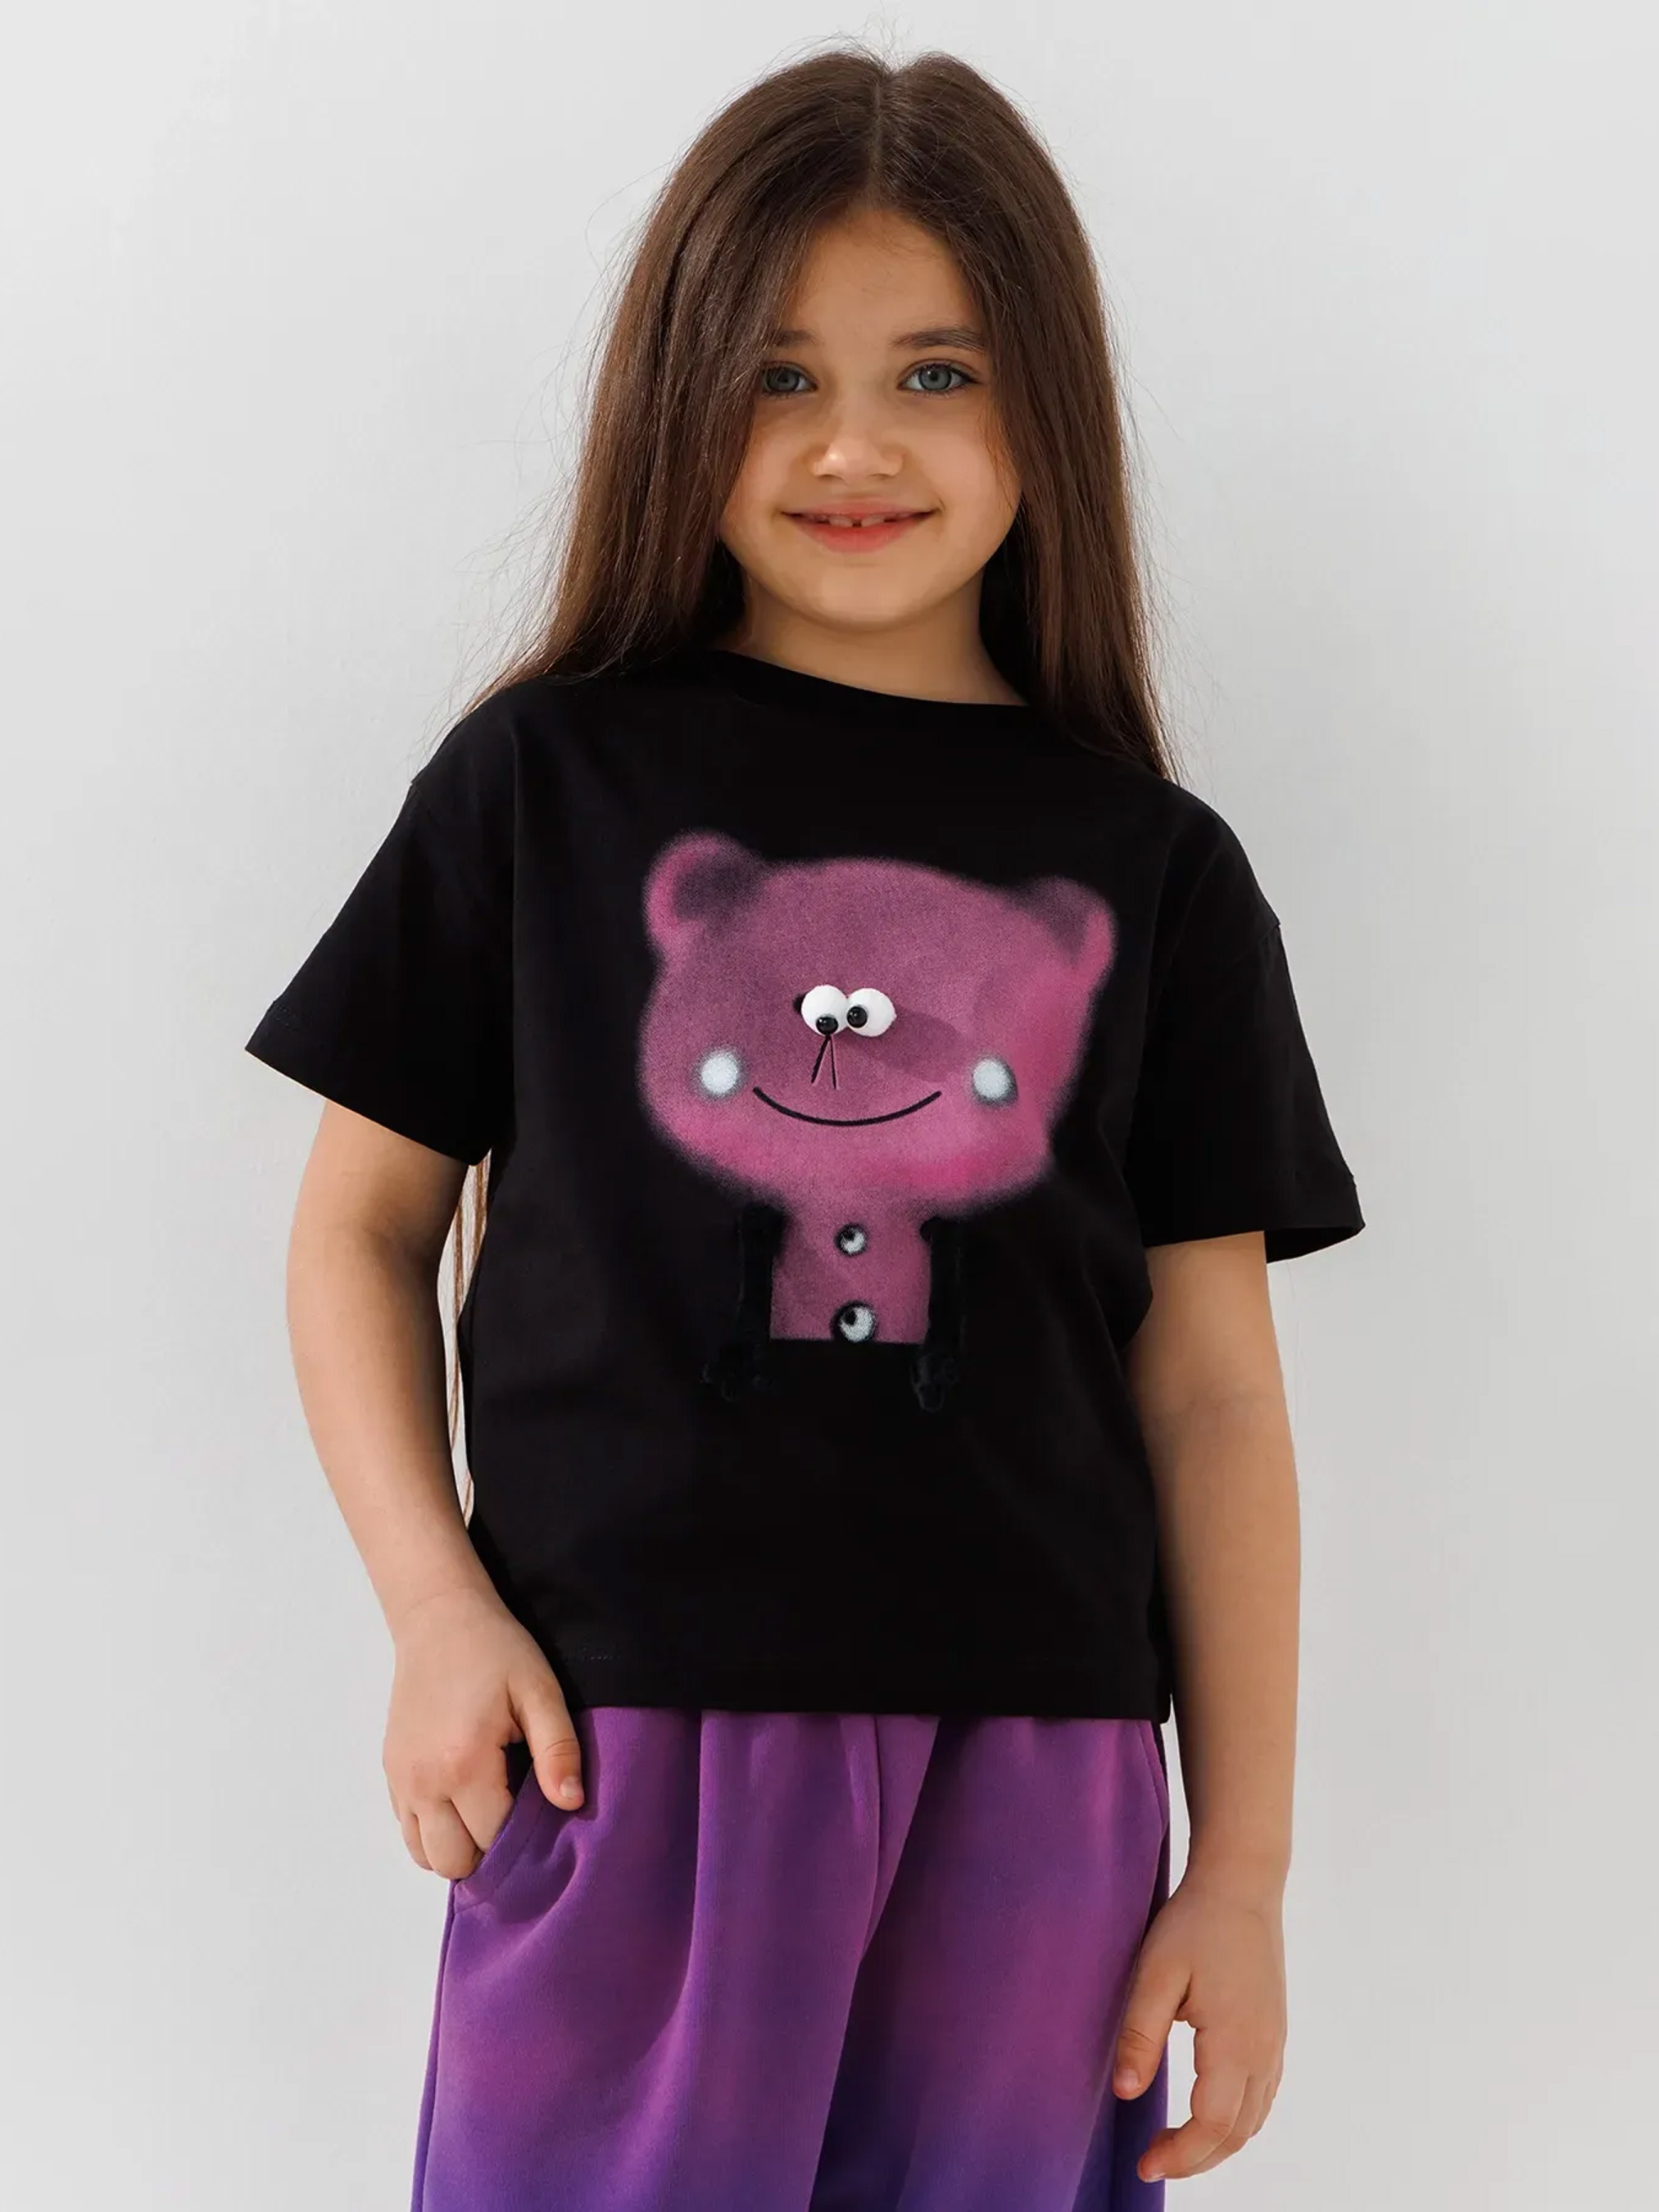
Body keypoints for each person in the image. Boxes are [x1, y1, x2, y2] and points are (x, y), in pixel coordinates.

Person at [247, 45, 1363, 2212]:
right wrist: (434, 1606)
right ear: (679, 400)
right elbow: (357, 1230)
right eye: (778, 377)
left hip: (1040, 1768)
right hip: (620, 1735)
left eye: (936, 372)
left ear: (1045, 404)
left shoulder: (1153, 872)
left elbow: (1214, 1392)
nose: (855, 443)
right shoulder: (543, 789)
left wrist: (1239, 1866)